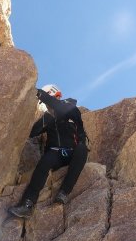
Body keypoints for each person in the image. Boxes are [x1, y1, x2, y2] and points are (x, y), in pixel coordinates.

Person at [8, 84, 88, 218]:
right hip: (55, 153)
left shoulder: (70, 107)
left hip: (73, 152)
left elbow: (61, 108)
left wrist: (41, 95)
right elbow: (32, 132)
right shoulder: (48, 117)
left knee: (82, 149)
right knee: (44, 162)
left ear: (52, 95)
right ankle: (27, 204)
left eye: (46, 99)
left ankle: (64, 192)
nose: (45, 104)